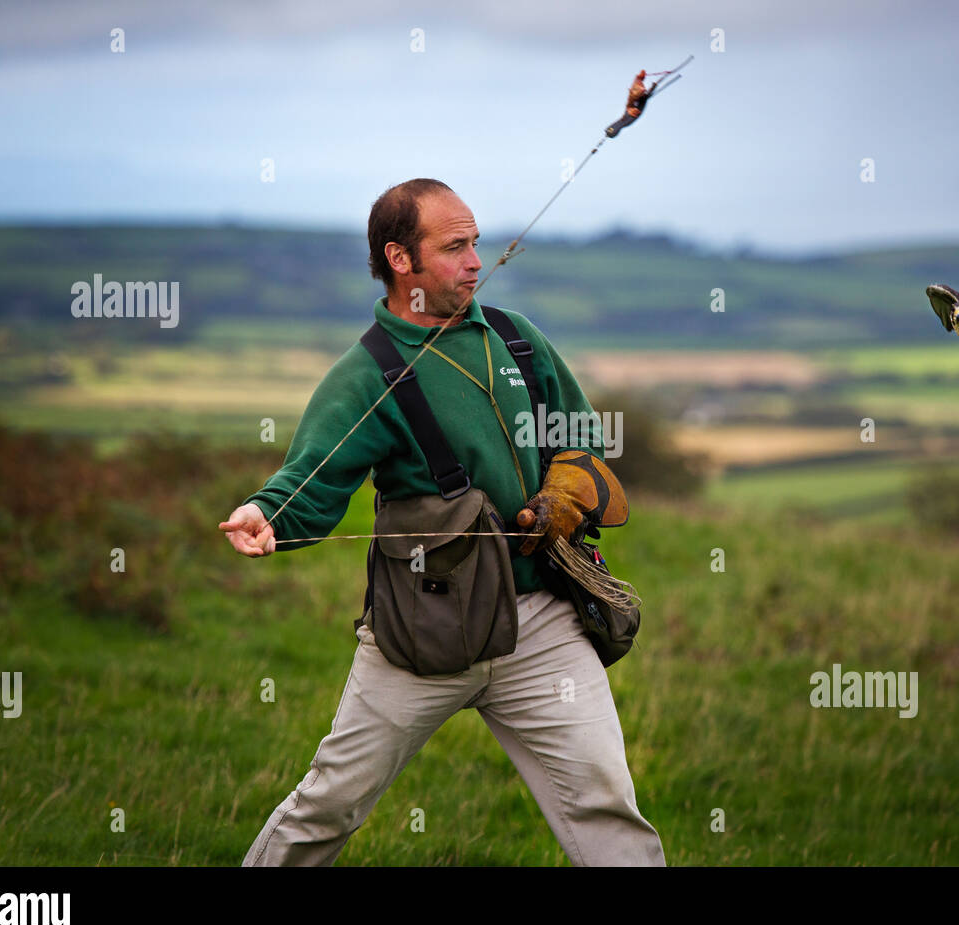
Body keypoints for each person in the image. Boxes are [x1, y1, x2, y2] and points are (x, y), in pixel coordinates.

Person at [219, 178, 665, 866]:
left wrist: (568, 491)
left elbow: (582, 439)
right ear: (401, 260)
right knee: (328, 806)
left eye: (476, 243)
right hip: (423, 626)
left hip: (542, 621)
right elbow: (314, 473)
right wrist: (265, 513)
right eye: (454, 247)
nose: (475, 261)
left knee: (607, 809)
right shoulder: (366, 374)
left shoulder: (518, 341)